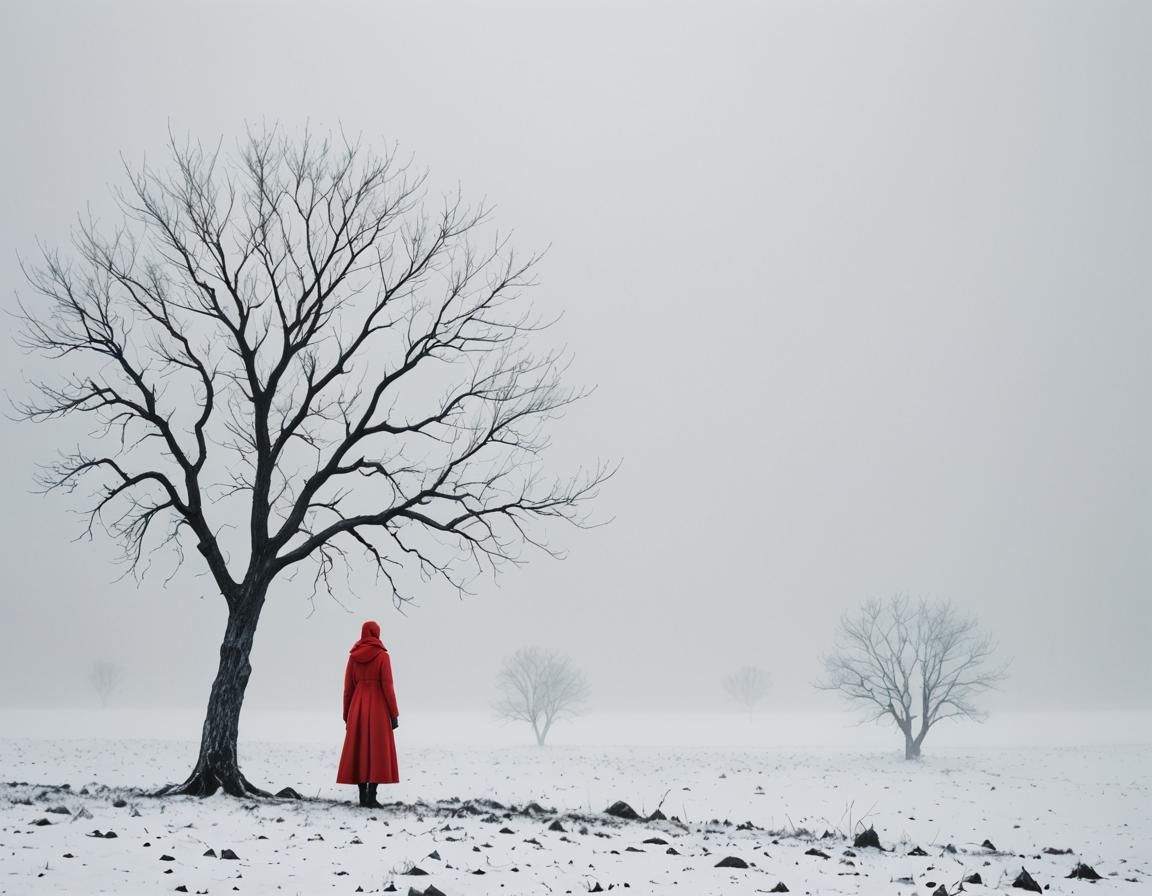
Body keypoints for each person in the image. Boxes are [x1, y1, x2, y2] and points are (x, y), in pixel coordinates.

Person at [336, 620, 400, 807]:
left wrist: (347, 714)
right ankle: (372, 796)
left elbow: (348, 689)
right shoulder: (383, 656)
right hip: (378, 708)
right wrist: (394, 713)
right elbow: (388, 687)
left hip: (357, 707)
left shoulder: (353, 657)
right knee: (376, 750)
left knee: (359, 750)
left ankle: (362, 797)